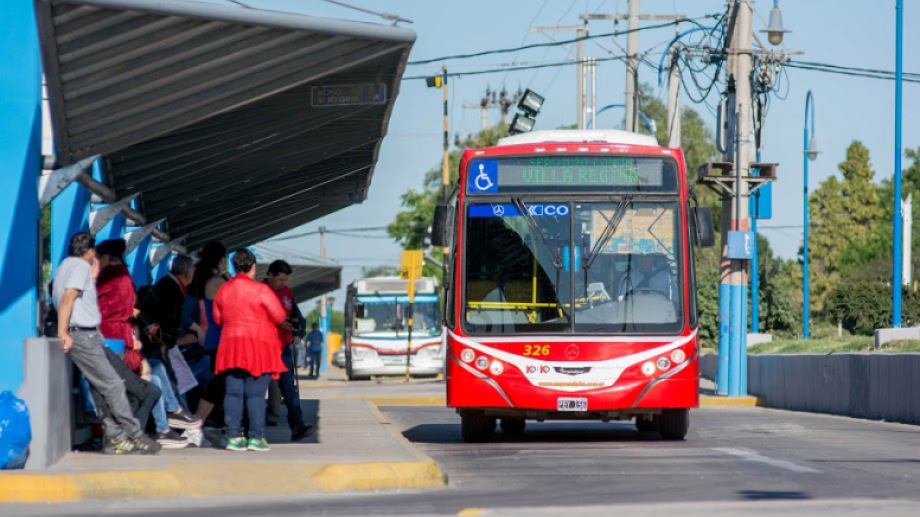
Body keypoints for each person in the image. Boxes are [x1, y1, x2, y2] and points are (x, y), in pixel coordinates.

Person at [53, 233, 161, 455]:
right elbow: (69, 297)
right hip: (83, 334)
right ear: (91, 252)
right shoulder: (81, 267)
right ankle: (134, 434)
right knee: (113, 385)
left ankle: (114, 438)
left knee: (100, 388)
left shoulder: (65, 265)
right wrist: (63, 331)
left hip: (90, 334)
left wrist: (91, 281)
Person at [214, 249, 288, 452]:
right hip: (258, 347)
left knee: (233, 393)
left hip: (231, 346)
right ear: (253, 267)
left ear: (234, 267)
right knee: (255, 395)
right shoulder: (261, 290)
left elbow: (218, 319)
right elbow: (279, 316)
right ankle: (255, 438)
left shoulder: (224, 290)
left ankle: (233, 437)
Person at [137, 255, 202, 432]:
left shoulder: (167, 284)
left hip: (154, 344)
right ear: (187, 273)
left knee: (169, 380)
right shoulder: (173, 289)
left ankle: (172, 419)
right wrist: (166, 342)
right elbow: (166, 321)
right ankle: (173, 418)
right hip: (154, 346)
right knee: (168, 379)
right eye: (193, 272)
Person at [264, 260, 314, 441]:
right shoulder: (260, 291)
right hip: (262, 348)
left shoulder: (287, 293)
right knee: (256, 389)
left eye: (285, 280)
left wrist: (298, 333)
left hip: (283, 349)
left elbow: (297, 317)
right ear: (269, 275)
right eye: (279, 280)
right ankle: (249, 428)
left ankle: (297, 426)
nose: (282, 284)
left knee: (289, 389)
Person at [190, 242, 230, 428]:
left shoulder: (204, 277)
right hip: (222, 338)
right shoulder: (218, 282)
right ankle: (198, 423)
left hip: (213, 337)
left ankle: (201, 423)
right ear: (221, 260)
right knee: (219, 384)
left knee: (218, 383)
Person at [95, 239, 142, 375]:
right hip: (123, 335)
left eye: (97, 260)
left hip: (107, 334)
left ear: (105, 257)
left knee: (106, 380)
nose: (97, 265)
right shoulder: (126, 275)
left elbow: (91, 300)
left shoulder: (109, 274)